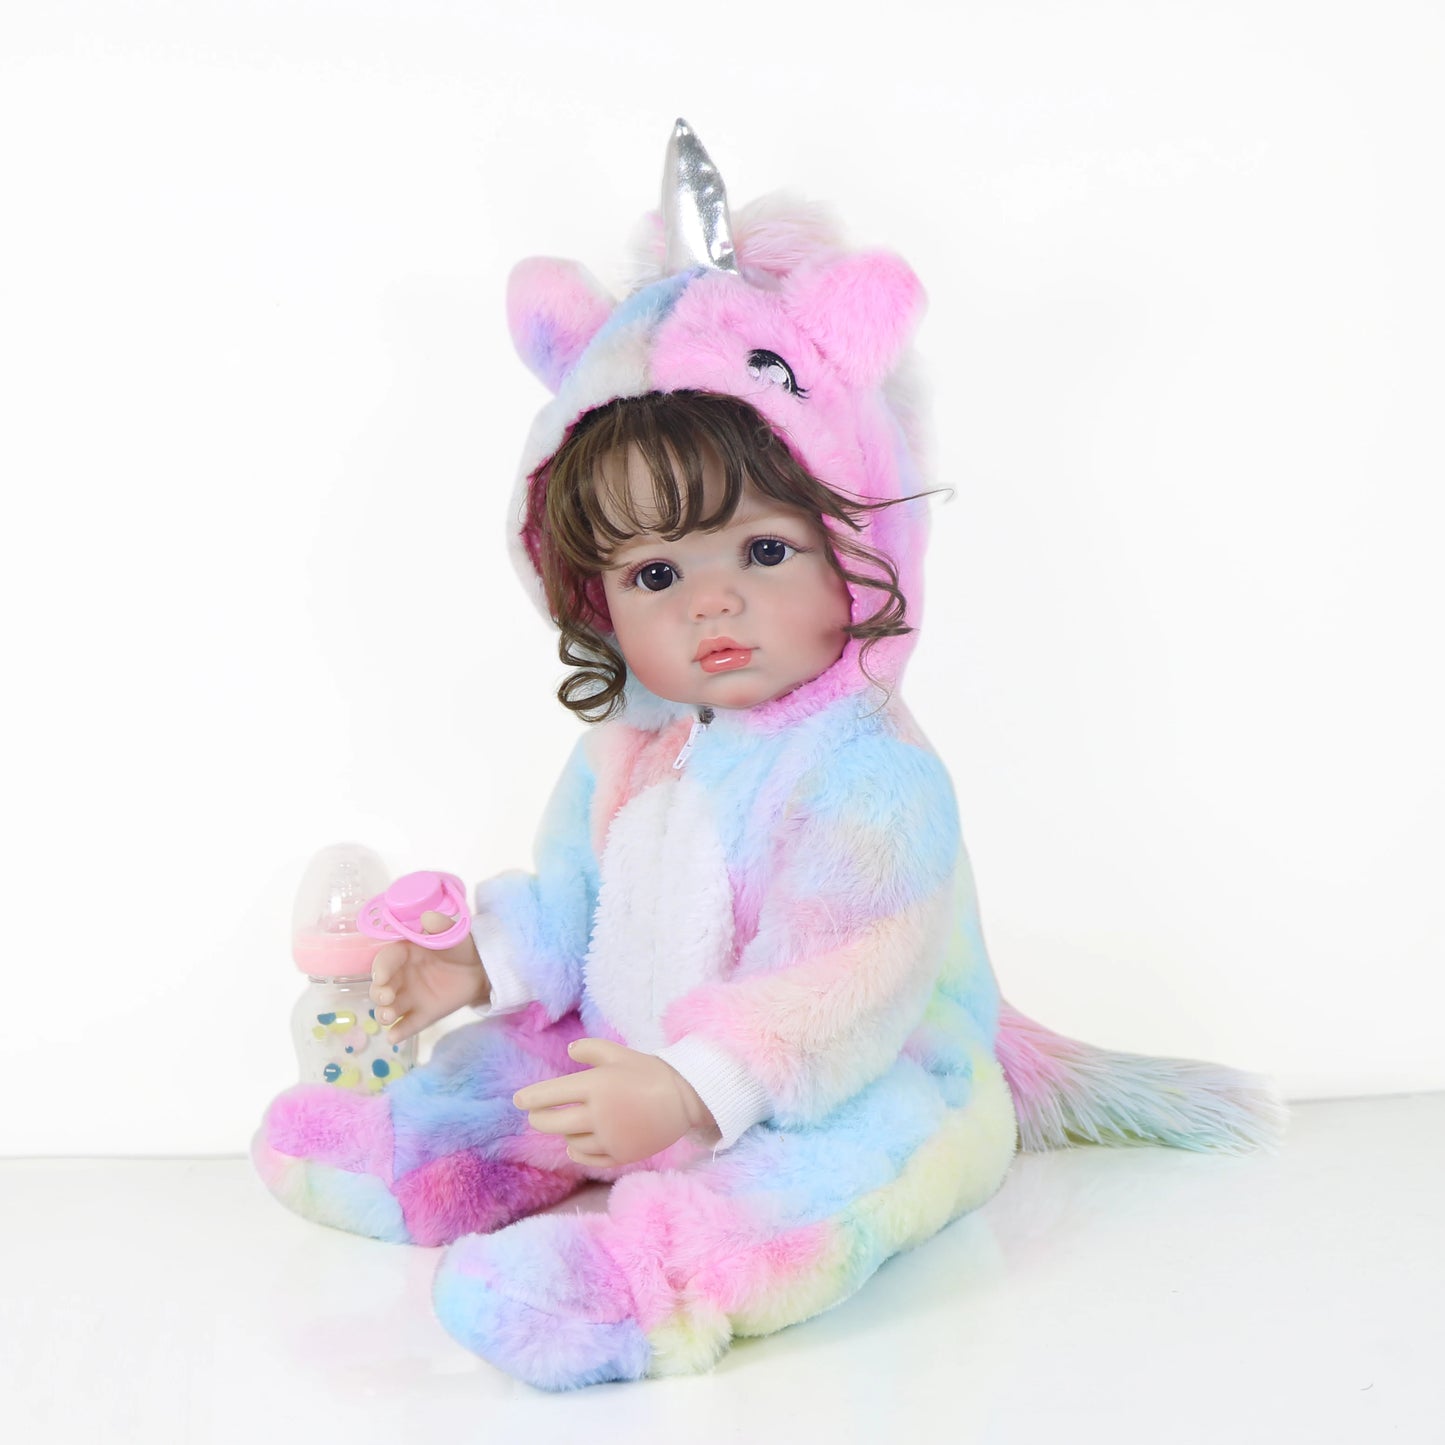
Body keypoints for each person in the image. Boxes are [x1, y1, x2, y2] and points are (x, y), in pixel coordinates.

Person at [253, 122, 1283, 1391]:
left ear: (856, 547)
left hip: (850, 1068)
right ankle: (419, 1156)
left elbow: (839, 985)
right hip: (634, 1052)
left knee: (858, 1156)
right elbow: (573, 898)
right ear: (588, 593)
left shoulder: (865, 772)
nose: (711, 604)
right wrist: (475, 961)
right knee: (516, 1058)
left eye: (762, 549)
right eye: (654, 574)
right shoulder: (628, 746)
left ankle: (650, 1284)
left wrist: (694, 1091)